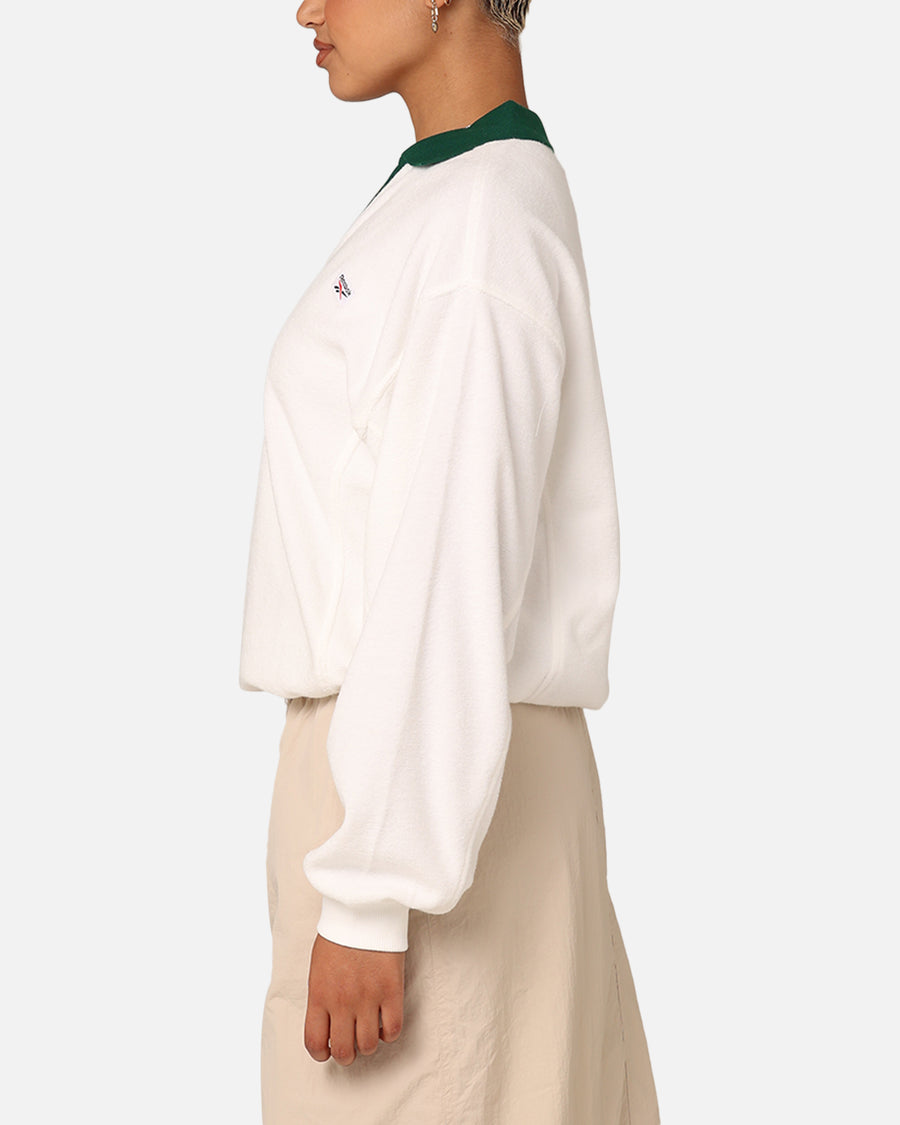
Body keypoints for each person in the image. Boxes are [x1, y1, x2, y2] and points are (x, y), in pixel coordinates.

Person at [237, 0, 662, 1120]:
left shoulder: (480, 222)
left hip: (421, 798)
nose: (307, 8)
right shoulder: (457, 194)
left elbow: (451, 549)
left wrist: (371, 894)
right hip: (438, 777)